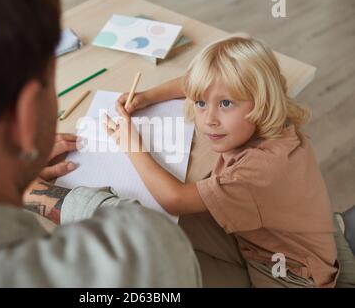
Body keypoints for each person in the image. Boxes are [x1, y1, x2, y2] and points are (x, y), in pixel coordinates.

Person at [0, 0, 201, 287]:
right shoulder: (137, 258)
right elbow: (149, 241)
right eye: (51, 84)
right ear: (25, 117)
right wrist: (39, 193)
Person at [103, 34, 339, 287]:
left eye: (225, 103)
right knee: (155, 230)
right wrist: (147, 97)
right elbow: (194, 84)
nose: (208, 120)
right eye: (201, 103)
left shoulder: (261, 169)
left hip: (292, 274)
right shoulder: (271, 108)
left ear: (262, 100)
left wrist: (130, 144)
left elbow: (175, 199)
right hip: (256, 240)